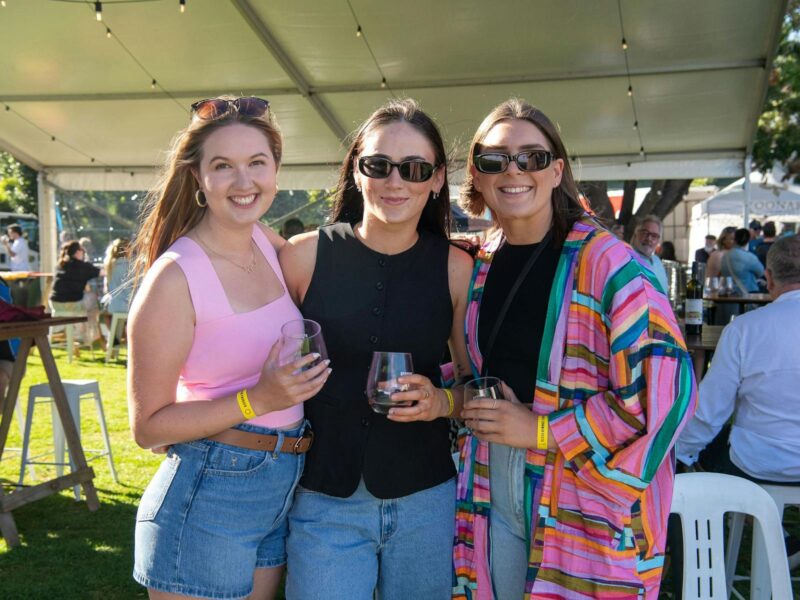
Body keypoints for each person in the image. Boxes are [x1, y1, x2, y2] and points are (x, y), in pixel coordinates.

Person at [453, 99, 696, 599]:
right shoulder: (478, 262)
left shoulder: (606, 261)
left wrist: (543, 430)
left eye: (532, 158)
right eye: (495, 159)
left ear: (557, 169)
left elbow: (667, 390)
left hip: (582, 485)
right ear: (476, 175)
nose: (514, 170)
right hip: (492, 472)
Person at [128, 96, 330, 600]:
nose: (244, 183)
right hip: (209, 491)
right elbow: (147, 429)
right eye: (223, 166)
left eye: (256, 163)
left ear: (276, 170)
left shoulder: (265, 242)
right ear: (198, 177)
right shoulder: (174, 278)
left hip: (279, 483)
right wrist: (256, 400)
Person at [279, 99, 473, 599]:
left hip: (425, 500)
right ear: (357, 172)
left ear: (436, 180)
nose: (396, 181)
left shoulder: (456, 268)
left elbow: (477, 388)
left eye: (415, 169)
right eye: (379, 165)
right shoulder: (302, 257)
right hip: (323, 499)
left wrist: (442, 401)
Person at [676, 235, 800, 569]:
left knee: (706, 447)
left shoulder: (744, 329)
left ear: (770, 279)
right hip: (767, 462)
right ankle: (785, 542)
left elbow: (710, 412)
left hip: (760, 464)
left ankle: (765, 533)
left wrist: (678, 454)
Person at [49, 240, 102, 348]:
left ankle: (83, 333)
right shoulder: (83, 266)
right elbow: (103, 272)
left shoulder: (60, 265)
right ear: (78, 252)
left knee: (89, 301)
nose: (84, 253)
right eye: (82, 250)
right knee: (93, 301)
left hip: (55, 304)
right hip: (72, 304)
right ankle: (90, 336)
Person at [631, 214, 670, 292]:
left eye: (654, 236)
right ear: (636, 233)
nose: (649, 238)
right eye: (645, 233)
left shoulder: (657, 260)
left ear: (659, 240)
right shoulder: (628, 260)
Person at [720, 228, 764, 294]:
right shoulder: (750, 257)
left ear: (734, 239)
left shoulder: (724, 256)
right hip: (748, 294)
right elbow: (761, 272)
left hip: (729, 294)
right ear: (748, 240)